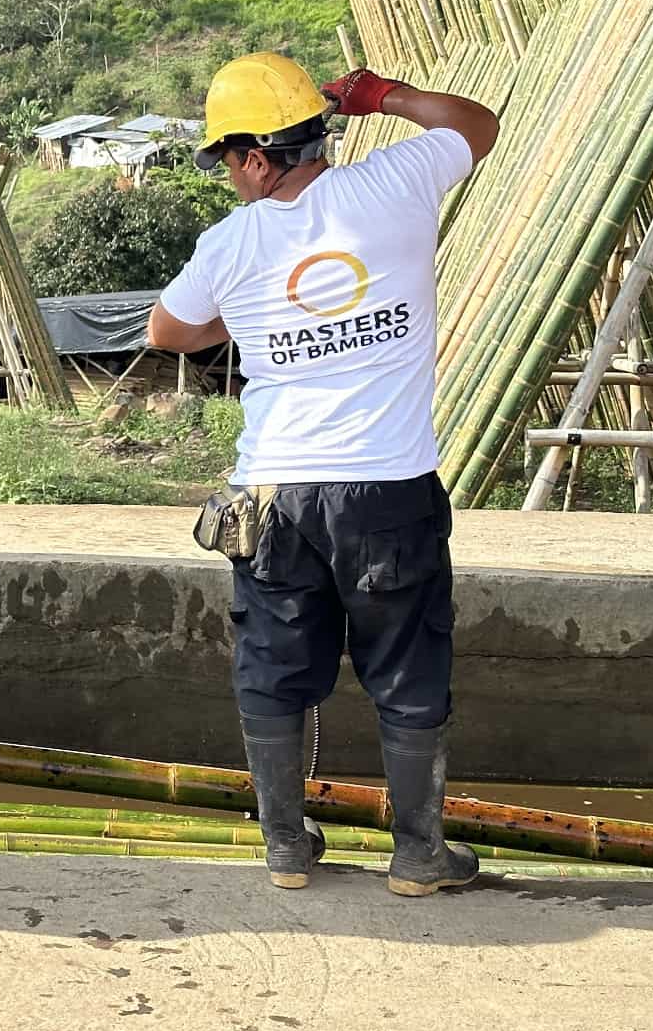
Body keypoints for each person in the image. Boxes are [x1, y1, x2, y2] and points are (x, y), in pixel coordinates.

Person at [147, 52, 499, 897]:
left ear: (256, 158)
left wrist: (254, 316)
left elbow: (169, 332)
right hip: (390, 487)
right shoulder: (398, 184)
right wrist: (385, 96)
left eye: (230, 162)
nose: (231, 178)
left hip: (275, 494)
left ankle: (285, 849)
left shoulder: (231, 244)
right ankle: (417, 856)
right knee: (408, 668)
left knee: (274, 665)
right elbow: (476, 126)